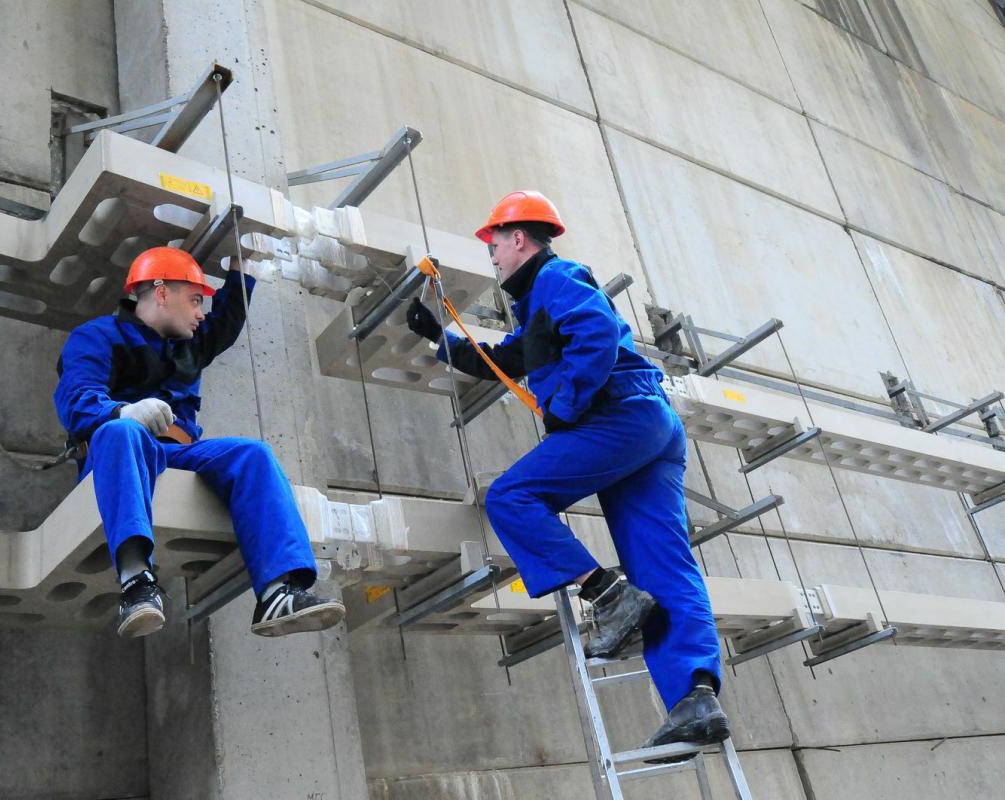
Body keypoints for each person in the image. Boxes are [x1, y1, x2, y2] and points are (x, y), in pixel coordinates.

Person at [405, 191, 728, 751]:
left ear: (520, 240)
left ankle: (605, 595)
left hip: (618, 417)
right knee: (662, 562)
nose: (494, 257)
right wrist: (442, 341)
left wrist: (567, 406)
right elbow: (507, 359)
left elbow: (598, 336)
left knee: (511, 497)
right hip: (648, 426)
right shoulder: (537, 306)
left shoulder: (556, 279)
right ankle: (695, 696)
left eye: (496, 245)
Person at [54, 246, 345, 639]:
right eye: (194, 300)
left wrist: (243, 265)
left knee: (252, 455)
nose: (200, 312)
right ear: (161, 293)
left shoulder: (189, 345)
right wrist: (123, 412)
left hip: (179, 452)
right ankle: (136, 582)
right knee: (120, 432)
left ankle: (278, 591)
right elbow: (75, 399)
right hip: (122, 453)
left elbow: (225, 320)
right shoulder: (97, 336)